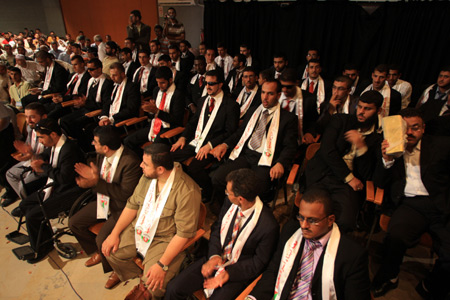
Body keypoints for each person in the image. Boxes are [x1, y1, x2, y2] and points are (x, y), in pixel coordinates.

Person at [101, 143, 201, 299]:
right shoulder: (148, 176)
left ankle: (146, 283)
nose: (140, 165)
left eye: (145, 164)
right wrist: (114, 233)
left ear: (160, 169)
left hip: (163, 239)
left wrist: (161, 265)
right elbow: (132, 205)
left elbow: (183, 234)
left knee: (153, 286)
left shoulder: (187, 191)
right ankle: (140, 276)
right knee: (110, 251)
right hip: (140, 227)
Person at [371, 108, 450, 299]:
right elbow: (379, 183)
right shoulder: (390, 146)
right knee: (395, 237)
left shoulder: (441, 145)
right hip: (409, 204)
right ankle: (389, 277)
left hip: (441, 204)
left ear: (423, 129)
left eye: (415, 128)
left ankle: (430, 285)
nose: (409, 133)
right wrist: (387, 160)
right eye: (405, 128)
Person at [166, 169, 279, 300]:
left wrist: (228, 274)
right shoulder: (229, 203)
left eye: (228, 192)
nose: (226, 194)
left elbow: (258, 263)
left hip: (237, 273)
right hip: (216, 259)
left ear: (240, 199)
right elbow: (217, 228)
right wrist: (213, 256)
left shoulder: (269, 226)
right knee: (173, 288)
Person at [248, 188, 370, 300]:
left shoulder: (352, 255)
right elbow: (274, 270)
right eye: (301, 217)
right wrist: (253, 298)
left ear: (330, 220)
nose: (304, 225)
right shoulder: (290, 231)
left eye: (312, 220)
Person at [304, 90, 383, 233]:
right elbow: (327, 151)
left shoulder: (378, 138)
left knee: (345, 222)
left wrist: (361, 148)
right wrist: (348, 177)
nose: (361, 112)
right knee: (312, 214)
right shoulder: (341, 120)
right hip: (324, 174)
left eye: (367, 109)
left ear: (379, 110)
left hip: (349, 186)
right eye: (359, 107)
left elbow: (368, 173)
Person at [210, 79, 298, 202]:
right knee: (218, 177)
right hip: (246, 155)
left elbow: (290, 146)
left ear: (278, 95)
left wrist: (281, 163)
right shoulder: (253, 111)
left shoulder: (288, 118)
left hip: (266, 161)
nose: (265, 97)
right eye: (263, 92)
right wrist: (224, 144)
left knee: (251, 190)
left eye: (270, 94)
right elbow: (240, 134)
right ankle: (225, 208)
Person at [69, 126, 141, 272]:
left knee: (101, 239)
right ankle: (99, 252)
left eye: (95, 142)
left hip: (121, 207)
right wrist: (92, 179)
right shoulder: (102, 155)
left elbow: (124, 194)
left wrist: (96, 182)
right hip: (104, 201)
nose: (92, 144)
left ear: (106, 147)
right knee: (74, 223)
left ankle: (114, 269)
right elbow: (100, 179)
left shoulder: (130, 162)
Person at [18, 118, 85, 263]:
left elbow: (64, 178)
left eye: (41, 137)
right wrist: (35, 157)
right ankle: (45, 239)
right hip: (55, 187)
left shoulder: (69, 149)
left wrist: (44, 167)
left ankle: (41, 248)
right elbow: (47, 154)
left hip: (68, 192)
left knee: (32, 216)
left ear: (53, 134)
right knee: (24, 205)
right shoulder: (57, 145)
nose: (40, 141)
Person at [171, 69, 239, 201]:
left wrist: (210, 145)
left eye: (212, 83)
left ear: (220, 84)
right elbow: (192, 123)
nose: (208, 86)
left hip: (214, 145)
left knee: (194, 167)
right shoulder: (202, 101)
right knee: (170, 156)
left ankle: (207, 191)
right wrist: (183, 137)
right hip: (196, 141)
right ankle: (186, 188)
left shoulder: (231, 105)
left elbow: (230, 132)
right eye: (206, 83)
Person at [124, 66, 185, 155]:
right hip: (154, 125)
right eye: (157, 82)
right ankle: (140, 164)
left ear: (170, 80)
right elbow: (151, 116)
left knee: (153, 149)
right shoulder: (156, 91)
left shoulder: (178, 95)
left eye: (162, 83)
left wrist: (157, 111)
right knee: (128, 141)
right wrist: (149, 110)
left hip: (168, 128)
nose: (159, 85)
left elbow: (177, 120)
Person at [59, 58, 113, 150]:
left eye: (91, 69)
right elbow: (87, 98)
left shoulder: (107, 83)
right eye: (88, 69)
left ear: (99, 69)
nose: (89, 71)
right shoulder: (91, 80)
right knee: (63, 120)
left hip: (96, 111)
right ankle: (77, 143)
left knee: (75, 123)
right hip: (86, 107)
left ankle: (85, 147)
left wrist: (86, 103)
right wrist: (83, 102)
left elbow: (105, 104)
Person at [4, 103, 47, 207]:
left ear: (44, 117)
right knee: (10, 174)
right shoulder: (30, 129)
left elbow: (47, 158)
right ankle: (27, 203)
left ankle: (30, 206)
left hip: (44, 166)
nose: (28, 121)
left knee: (23, 185)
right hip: (32, 159)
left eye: (32, 117)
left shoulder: (49, 132)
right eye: (26, 117)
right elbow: (28, 148)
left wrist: (30, 155)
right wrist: (24, 155)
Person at [278, 68, 318, 144]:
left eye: (289, 87)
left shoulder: (309, 99)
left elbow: (313, 121)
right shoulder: (276, 95)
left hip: (298, 139)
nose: (284, 90)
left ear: (296, 83)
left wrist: (310, 133)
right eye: (282, 86)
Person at [98, 62, 140, 126]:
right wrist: (104, 117)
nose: (112, 77)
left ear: (123, 74)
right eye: (111, 75)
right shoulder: (112, 86)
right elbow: (107, 103)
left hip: (123, 121)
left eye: (114, 75)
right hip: (110, 119)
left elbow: (131, 109)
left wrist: (112, 118)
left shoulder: (132, 87)